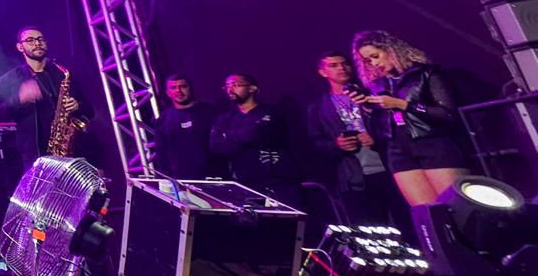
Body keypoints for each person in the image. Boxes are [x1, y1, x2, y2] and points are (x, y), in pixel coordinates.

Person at [350, 30, 469, 208]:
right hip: (399, 150)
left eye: (375, 56)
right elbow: (380, 131)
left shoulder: (425, 73)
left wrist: (403, 104)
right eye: (368, 61)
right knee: (427, 214)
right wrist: (367, 108)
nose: (374, 64)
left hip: (433, 144)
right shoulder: (377, 85)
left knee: (458, 208)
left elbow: (447, 113)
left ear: (390, 50)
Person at [304, 51, 404, 227]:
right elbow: (315, 143)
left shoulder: (373, 94)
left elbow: (397, 125)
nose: (341, 68)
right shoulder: (318, 107)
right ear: (323, 72)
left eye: (345, 63)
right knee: (369, 229)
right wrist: (336, 145)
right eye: (333, 65)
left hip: (389, 169)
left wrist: (377, 137)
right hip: (353, 177)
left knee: (403, 222)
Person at [0, 26, 93, 171]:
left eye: (40, 39)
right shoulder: (10, 79)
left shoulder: (63, 74)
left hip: (71, 152)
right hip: (35, 155)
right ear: (20, 47)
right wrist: (19, 99)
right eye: (30, 40)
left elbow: (90, 110)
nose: (37, 43)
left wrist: (78, 106)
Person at [210, 74, 300, 205]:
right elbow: (216, 146)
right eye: (227, 86)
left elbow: (258, 134)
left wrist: (228, 135)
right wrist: (244, 139)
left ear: (252, 88)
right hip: (243, 181)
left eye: (235, 85)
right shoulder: (226, 118)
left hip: (274, 179)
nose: (230, 89)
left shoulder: (271, 112)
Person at [154, 75, 223, 179]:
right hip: (181, 179)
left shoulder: (210, 112)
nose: (178, 91)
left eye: (183, 86)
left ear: (190, 88)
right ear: (168, 93)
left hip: (214, 176)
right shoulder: (164, 118)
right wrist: (165, 176)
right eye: (173, 88)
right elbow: (161, 151)